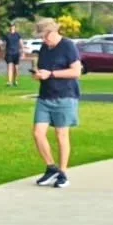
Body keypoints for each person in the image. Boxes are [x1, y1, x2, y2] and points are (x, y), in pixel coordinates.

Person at [32, 17, 82, 187]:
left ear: (53, 32)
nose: (43, 40)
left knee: (61, 135)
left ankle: (63, 172)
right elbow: (43, 70)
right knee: (38, 133)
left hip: (65, 96)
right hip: (45, 96)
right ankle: (50, 167)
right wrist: (39, 75)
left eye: (45, 36)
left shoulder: (68, 46)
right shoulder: (44, 48)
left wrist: (51, 74)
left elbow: (76, 72)